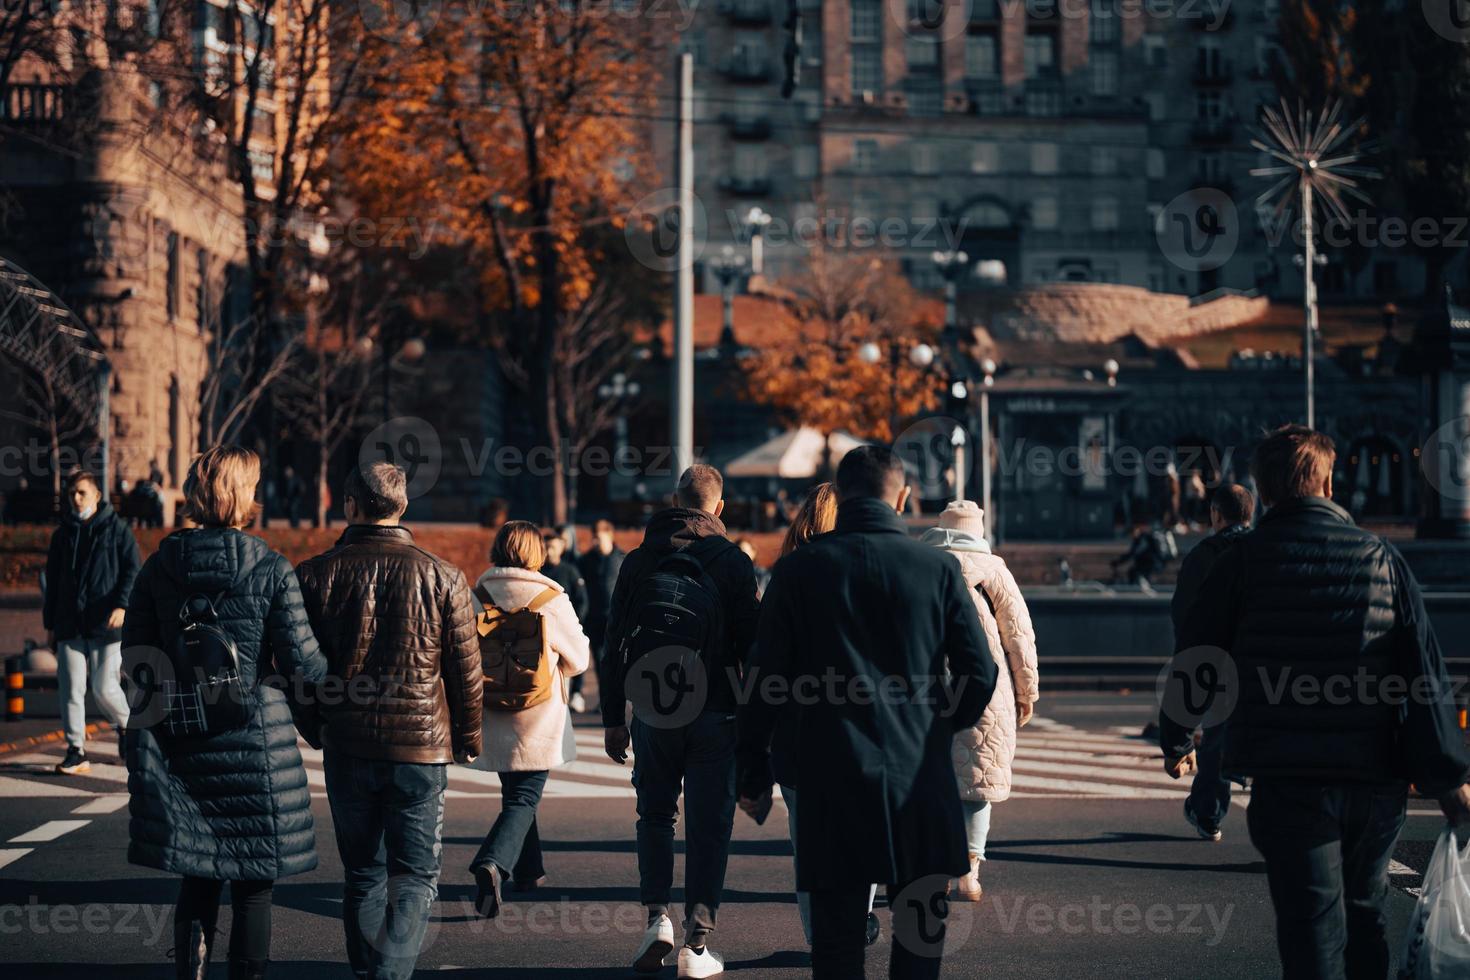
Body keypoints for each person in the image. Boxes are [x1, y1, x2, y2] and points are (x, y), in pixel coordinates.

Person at [1161, 425, 1470, 980]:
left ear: (1267, 491)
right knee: (1366, 916)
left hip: (1289, 777)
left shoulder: (1241, 561)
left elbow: (1198, 659)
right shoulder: (1382, 559)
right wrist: (1448, 780)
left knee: (1310, 933)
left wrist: (1178, 736)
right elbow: (1424, 675)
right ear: (1327, 483)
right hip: (1376, 781)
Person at [737, 447, 997, 980]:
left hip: (831, 776)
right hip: (919, 777)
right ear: (901, 496)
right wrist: (939, 723)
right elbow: (981, 670)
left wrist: (753, 766)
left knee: (836, 945)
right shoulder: (938, 569)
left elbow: (764, 680)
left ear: (842, 492)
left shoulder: (798, 571)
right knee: (920, 940)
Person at [123, 446, 328, 980]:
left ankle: (190, 969)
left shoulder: (159, 568)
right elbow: (304, 663)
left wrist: (157, 716)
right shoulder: (270, 568)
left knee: (199, 868)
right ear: (241, 496)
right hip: (255, 741)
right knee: (254, 883)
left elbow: (137, 658)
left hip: (184, 737)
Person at [295, 461, 483, 980]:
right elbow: (466, 670)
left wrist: (315, 725)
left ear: (351, 505)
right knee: (417, 877)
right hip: (420, 747)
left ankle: (369, 971)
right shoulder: (444, 576)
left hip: (347, 741)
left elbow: (291, 665)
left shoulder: (313, 575)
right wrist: (467, 737)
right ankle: (390, 973)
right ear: (403, 506)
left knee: (362, 875)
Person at [601, 463, 760, 978]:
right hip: (715, 708)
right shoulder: (733, 562)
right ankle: (697, 945)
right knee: (709, 826)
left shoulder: (639, 560)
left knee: (654, 815)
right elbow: (751, 647)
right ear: (719, 508)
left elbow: (614, 644)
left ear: (675, 500)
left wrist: (612, 719)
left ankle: (656, 921)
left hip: (653, 708)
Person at [768, 483, 881, 947]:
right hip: (860, 734)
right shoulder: (871, 570)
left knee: (809, 848)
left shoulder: (787, 574)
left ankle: (821, 940)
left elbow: (766, 664)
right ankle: (858, 918)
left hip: (798, 736)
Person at [467, 521, 590, 915]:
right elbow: (580, 657)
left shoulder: (477, 594)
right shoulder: (550, 597)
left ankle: (528, 871)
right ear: (536, 552)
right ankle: (493, 862)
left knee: (514, 792)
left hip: (491, 710)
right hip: (537, 715)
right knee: (524, 796)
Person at [919, 500, 1039, 902]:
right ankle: (969, 872)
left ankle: (933, 867)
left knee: (932, 782)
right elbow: (1019, 638)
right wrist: (1027, 693)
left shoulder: (921, 565)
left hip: (928, 687)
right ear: (978, 531)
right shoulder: (994, 571)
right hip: (987, 687)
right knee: (977, 781)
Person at [1167, 482, 1254, 842]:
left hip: (1217, 660)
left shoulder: (1205, 554)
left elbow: (1185, 615)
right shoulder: (1265, 550)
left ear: (1216, 514)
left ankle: (1209, 812)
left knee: (1218, 736)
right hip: (1262, 662)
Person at [44, 470, 140, 774]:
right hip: (69, 623)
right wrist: (50, 624)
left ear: (97, 496)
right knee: (70, 687)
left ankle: (127, 726)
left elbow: (132, 569)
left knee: (103, 687)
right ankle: (76, 750)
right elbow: (54, 582)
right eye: (72, 493)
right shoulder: (63, 534)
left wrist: (123, 605)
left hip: (106, 622)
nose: (76, 498)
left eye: (82, 492)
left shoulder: (117, 530)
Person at [541, 527, 590, 713]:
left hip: (567, 628)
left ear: (561, 548)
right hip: (543, 630)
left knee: (572, 663)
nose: (550, 551)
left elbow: (582, 599)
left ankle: (576, 694)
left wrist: (576, 624)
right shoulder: (538, 571)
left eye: (553, 546)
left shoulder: (570, 571)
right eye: (547, 547)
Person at [576, 518, 626, 692]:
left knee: (617, 658)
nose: (596, 541)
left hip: (616, 617)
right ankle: (605, 696)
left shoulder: (622, 558)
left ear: (609, 535)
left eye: (599, 537)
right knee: (599, 658)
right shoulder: (585, 561)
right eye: (594, 537)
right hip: (594, 617)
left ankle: (617, 694)